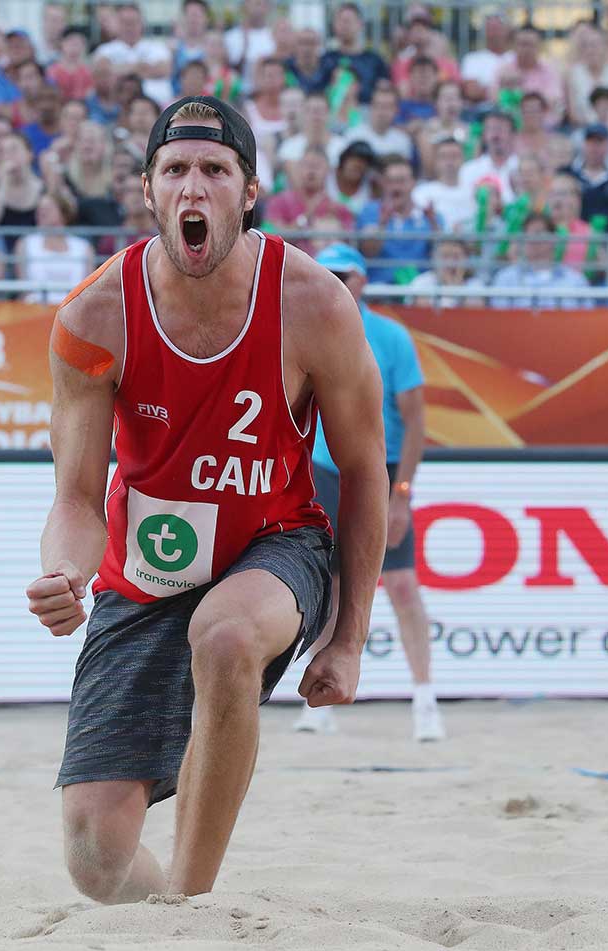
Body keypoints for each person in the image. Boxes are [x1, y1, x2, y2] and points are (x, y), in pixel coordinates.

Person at [27, 94, 386, 904]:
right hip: (147, 568)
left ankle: (190, 912)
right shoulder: (94, 314)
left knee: (223, 637)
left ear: (249, 192)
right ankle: (162, 901)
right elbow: (78, 497)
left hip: (276, 543)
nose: (196, 187)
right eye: (177, 170)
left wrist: (348, 638)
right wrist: (64, 572)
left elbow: (365, 469)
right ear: (148, 192)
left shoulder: (314, 301)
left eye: (216, 170)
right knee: (95, 858)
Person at [292, 241, 442, 741]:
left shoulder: (390, 337)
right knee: (329, 588)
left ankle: (424, 699)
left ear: (362, 282)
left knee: (401, 585)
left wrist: (401, 491)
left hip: (381, 468)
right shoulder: (309, 327)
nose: (335, 280)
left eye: (345, 274)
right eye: (327, 272)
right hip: (326, 469)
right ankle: (319, 701)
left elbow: (418, 420)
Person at [356, 155, 438, 284]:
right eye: (390, 181)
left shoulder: (429, 214)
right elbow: (368, 253)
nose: (396, 187)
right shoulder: (370, 211)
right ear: (383, 183)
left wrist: (433, 223)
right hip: (380, 288)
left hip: (421, 290)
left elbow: (441, 253)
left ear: (413, 182)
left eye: (401, 181)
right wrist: (382, 224)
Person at [263, 145, 354, 256]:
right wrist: (305, 218)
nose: (311, 170)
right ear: (298, 168)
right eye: (307, 165)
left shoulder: (340, 205)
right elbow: (274, 240)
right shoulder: (279, 201)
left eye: (317, 166)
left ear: (328, 170)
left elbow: (350, 243)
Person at [489, 213, 593, 309]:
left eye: (539, 233)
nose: (533, 239)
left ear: (554, 239)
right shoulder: (506, 278)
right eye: (528, 234)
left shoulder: (576, 281)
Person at [17, 190, 92, 304]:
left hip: (73, 312)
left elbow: (88, 291)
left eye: (48, 208)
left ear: (64, 213)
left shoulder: (84, 248)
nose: (42, 212)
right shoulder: (25, 244)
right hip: (35, 311)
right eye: (40, 209)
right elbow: (24, 290)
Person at [321, 2, 388, 104]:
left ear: (360, 25)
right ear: (334, 25)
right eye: (340, 21)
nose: (344, 25)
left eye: (348, 21)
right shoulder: (326, 59)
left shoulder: (375, 61)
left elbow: (384, 91)